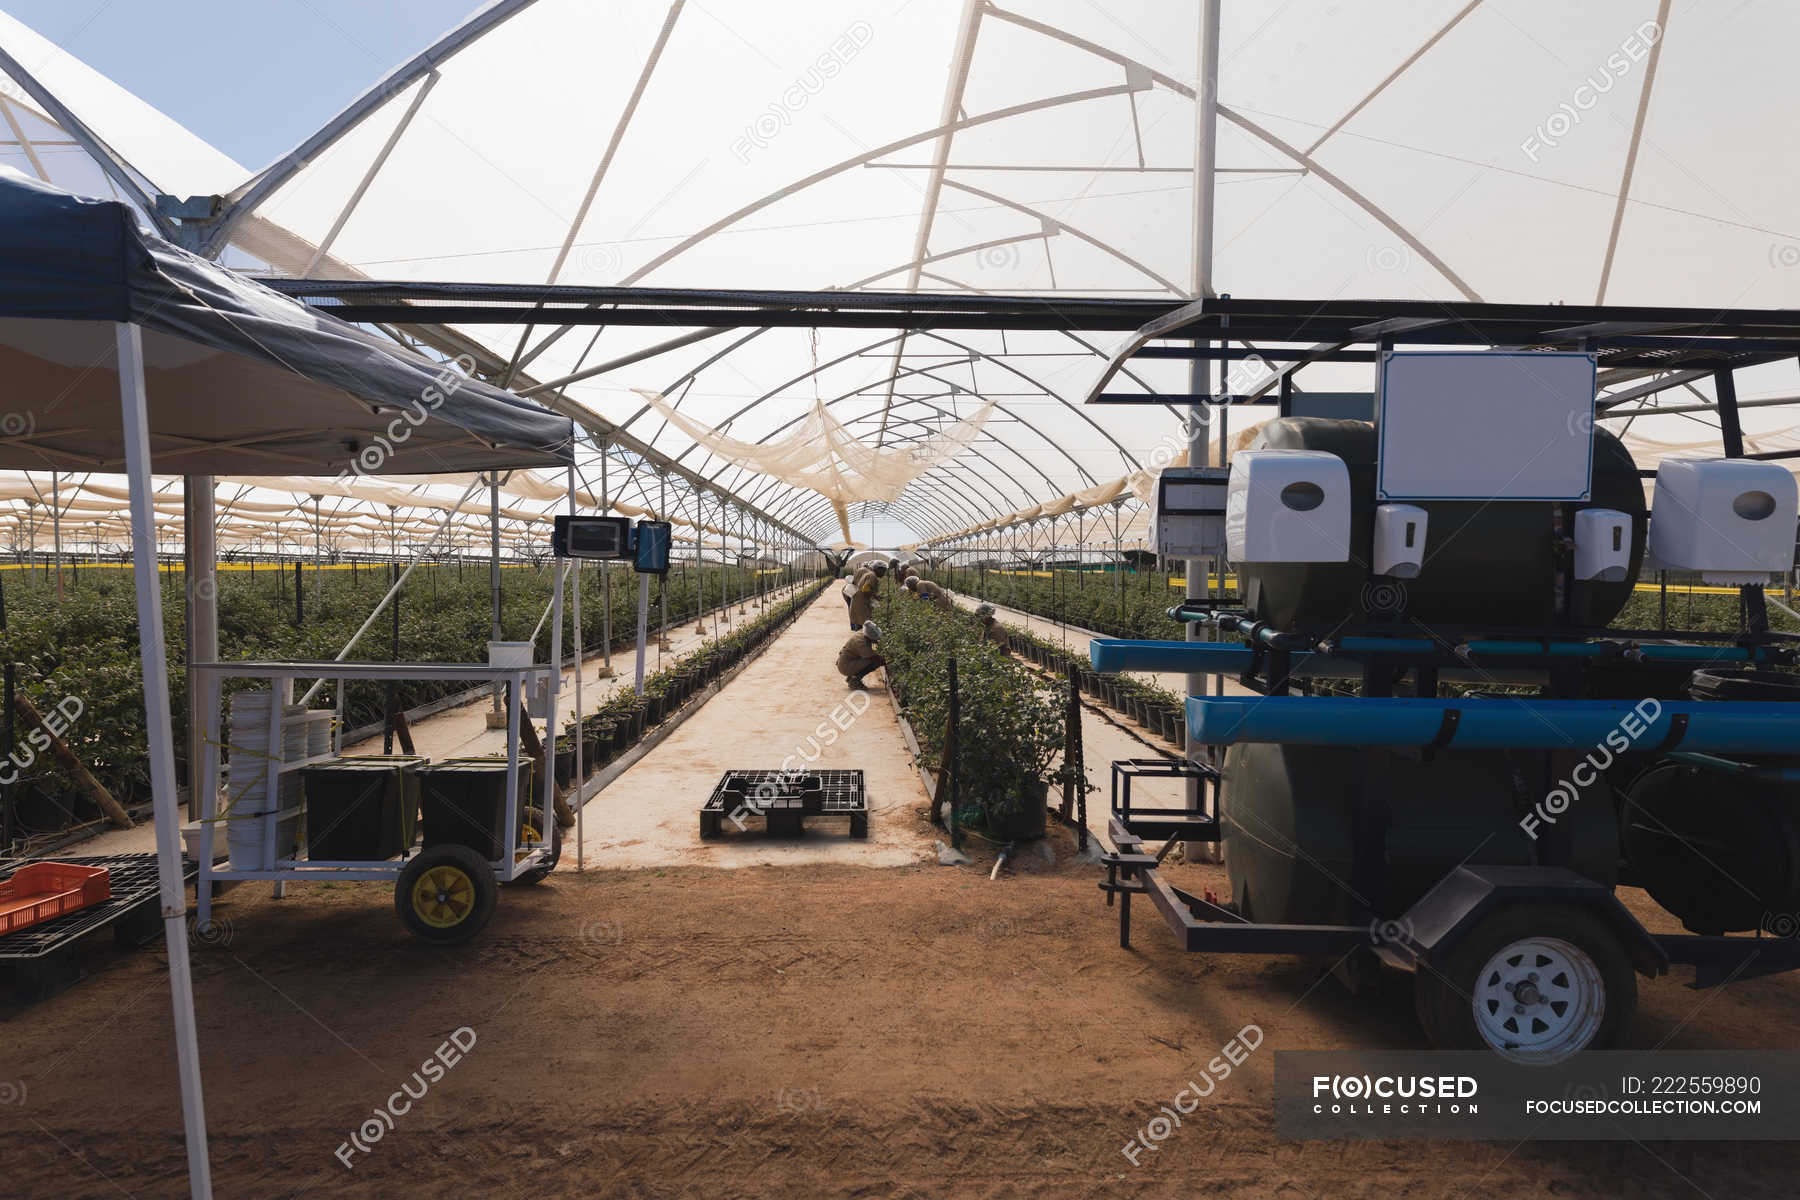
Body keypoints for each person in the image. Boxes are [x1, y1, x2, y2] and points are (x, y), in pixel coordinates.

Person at [836, 620, 886, 688]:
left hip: (846, 661)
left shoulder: (862, 633)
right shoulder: (861, 643)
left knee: (874, 659)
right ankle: (855, 680)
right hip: (845, 666)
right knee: (875, 662)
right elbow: (874, 658)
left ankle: (852, 677)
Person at [849, 561, 886, 628]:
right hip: (861, 604)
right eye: (883, 570)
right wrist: (876, 596)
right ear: (878, 569)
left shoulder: (870, 574)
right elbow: (865, 589)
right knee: (864, 627)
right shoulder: (872, 576)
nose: (884, 573)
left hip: (859, 602)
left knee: (861, 625)